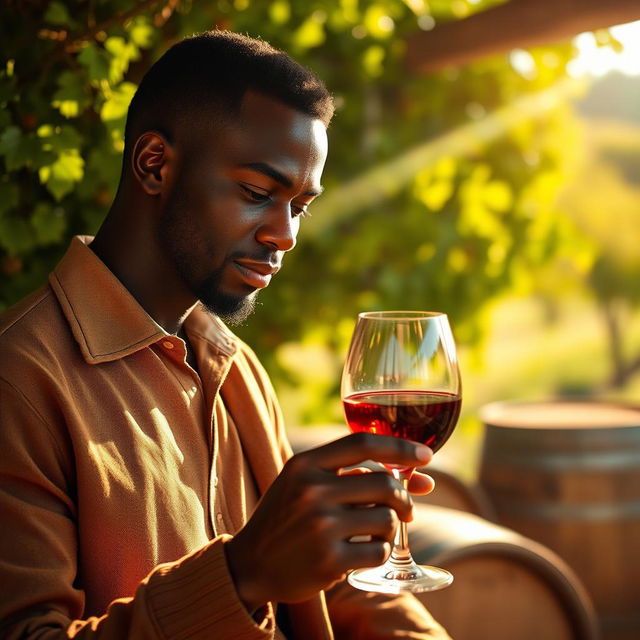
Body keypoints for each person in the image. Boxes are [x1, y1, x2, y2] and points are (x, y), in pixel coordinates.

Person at [0, 31, 450, 639]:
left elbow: (335, 586)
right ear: (154, 163)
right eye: (259, 193)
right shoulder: (20, 381)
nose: (285, 234)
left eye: (300, 205)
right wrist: (239, 576)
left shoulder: (233, 364)